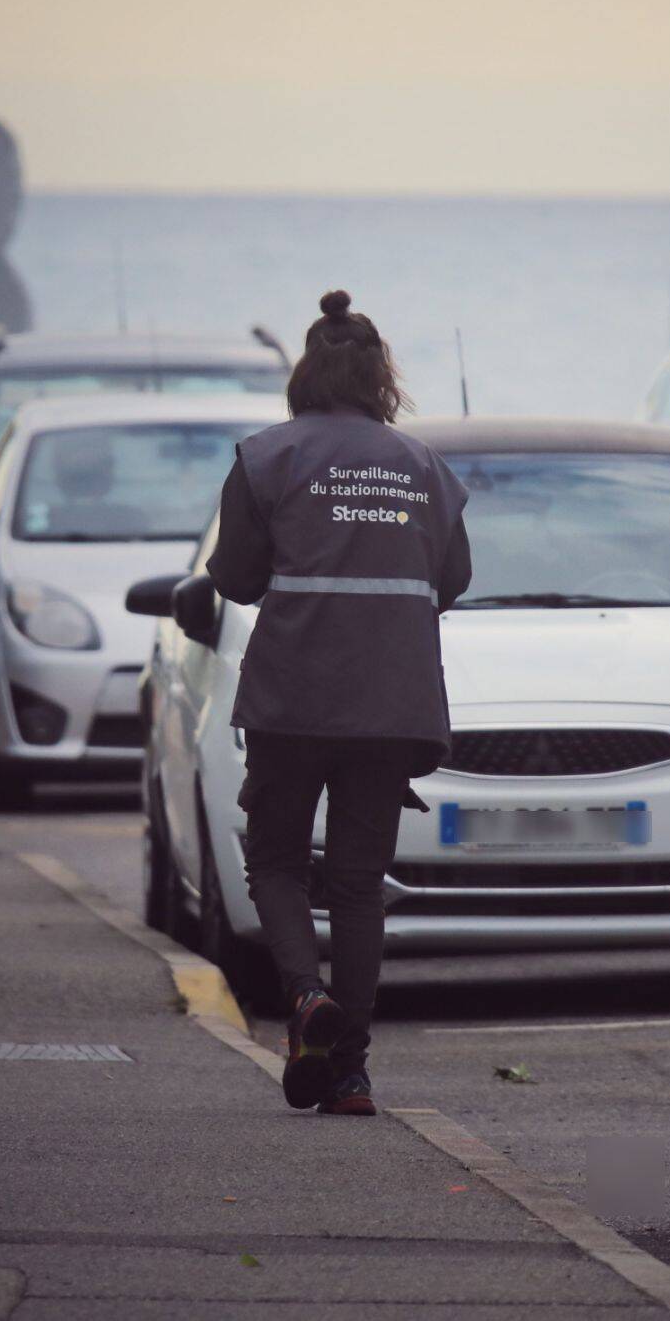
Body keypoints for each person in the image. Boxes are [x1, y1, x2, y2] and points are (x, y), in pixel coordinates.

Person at [206, 290, 472, 1115]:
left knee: (277, 860)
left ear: (306, 373)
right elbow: (453, 580)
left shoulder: (264, 457)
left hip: (292, 699)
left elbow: (236, 576)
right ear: (381, 378)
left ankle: (304, 995)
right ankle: (350, 1070)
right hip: (392, 706)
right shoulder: (425, 468)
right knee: (359, 884)